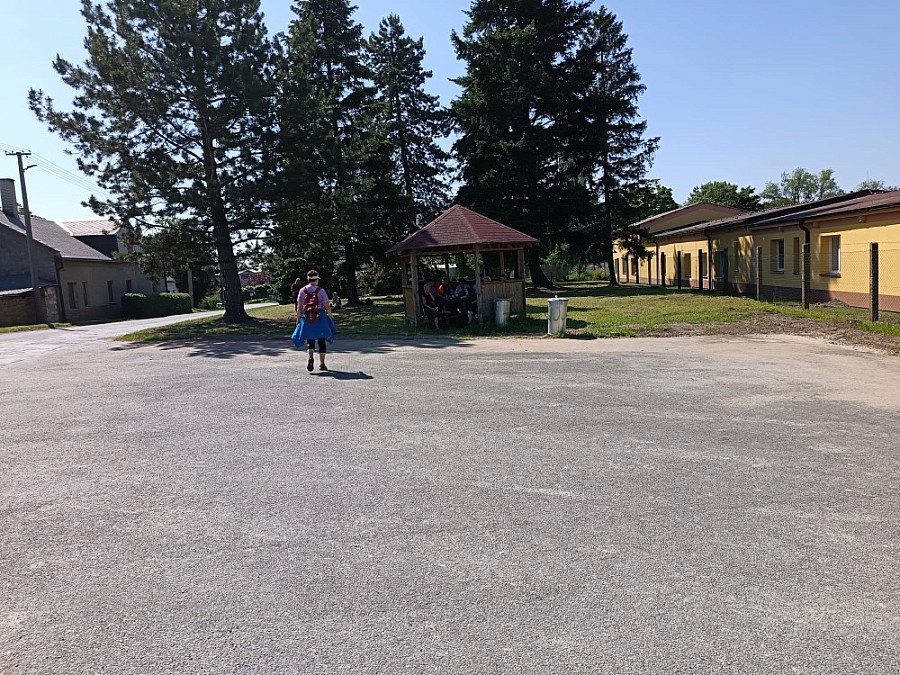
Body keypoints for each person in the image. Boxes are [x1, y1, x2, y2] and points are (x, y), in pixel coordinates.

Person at [291, 270, 337, 372]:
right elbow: (326, 305)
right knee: (321, 341)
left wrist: (298, 318)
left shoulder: (302, 291)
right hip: (320, 317)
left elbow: (299, 307)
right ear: (316, 279)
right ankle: (322, 363)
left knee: (310, 340)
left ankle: (311, 356)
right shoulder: (321, 291)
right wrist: (330, 315)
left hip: (307, 318)